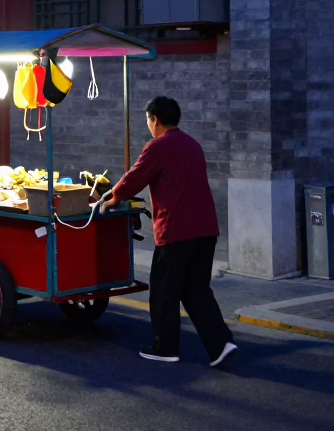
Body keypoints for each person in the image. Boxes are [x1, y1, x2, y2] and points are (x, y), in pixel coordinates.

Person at [100, 96, 237, 368]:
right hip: (206, 228)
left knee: (164, 290)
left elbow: (136, 177)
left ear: (155, 120)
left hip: (176, 230)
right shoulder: (193, 145)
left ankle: (165, 347)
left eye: (148, 120)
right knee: (196, 288)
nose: (149, 125)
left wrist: (113, 197)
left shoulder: (158, 146)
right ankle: (221, 343)